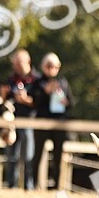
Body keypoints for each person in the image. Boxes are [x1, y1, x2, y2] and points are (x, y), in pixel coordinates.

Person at [30, 52, 74, 190]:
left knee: (58, 157)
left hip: (59, 124)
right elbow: (34, 102)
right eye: (49, 66)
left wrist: (66, 102)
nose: (52, 68)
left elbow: (71, 103)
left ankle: (56, 186)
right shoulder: (37, 83)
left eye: (55, 66)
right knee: (37, 155)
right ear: (43, 66)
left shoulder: (63, 82)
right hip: (42, 123)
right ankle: (34, 184)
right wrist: (45, 92)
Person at [0, 49, 37, 189]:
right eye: (14, 64)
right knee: (12, 157)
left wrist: (27, 100)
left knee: (28, 158)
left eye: (18, 63)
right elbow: (4, 102)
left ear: (27, 62)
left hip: (29, 122)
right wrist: (3, 95)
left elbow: (40, 102)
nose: (16, 66)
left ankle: (29, 187)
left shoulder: (37, 80)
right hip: (12, 124)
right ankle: (11, 187)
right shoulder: (10, 79)